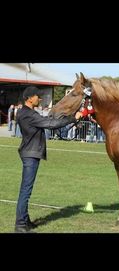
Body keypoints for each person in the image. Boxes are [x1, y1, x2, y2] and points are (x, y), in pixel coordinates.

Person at [15, 86, 82, 233]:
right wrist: (72, 118)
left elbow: (47, 120)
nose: (39, 99)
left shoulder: (25, 113)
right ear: (30, 98)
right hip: (30, 154)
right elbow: (50, 124)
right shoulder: (28, 114)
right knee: (26, 190)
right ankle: (20, 224)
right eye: (37, 97)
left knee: (26, 189)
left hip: (29, 153)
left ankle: (25, 221)